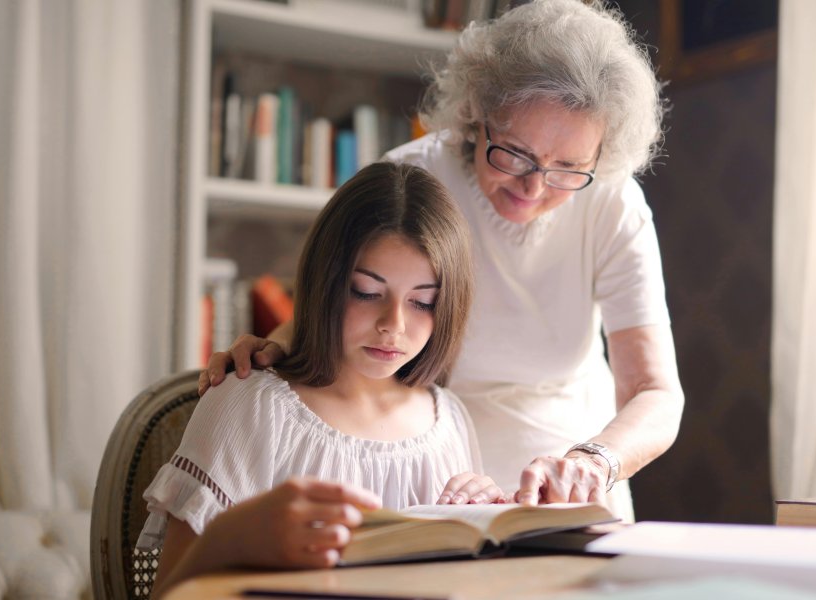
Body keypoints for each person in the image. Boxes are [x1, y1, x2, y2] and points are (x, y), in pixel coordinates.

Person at [202, 0, 684, 522]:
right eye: (516, 154)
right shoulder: (412, 180)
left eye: (568, 168)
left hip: (572, 484)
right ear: (478, 114)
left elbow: (654, 392)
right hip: (437, 472)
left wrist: (595, 461)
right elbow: (345, 305)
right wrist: (268, 348)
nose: (534, 186)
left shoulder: (612, 203)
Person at [140, 162, 503, 598]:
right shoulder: (251, 406)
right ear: (326, 281)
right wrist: (235, 533)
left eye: (423, 302)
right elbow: (170, 591)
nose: (394, 324)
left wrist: (485, 523)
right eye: (367, 293)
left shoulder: (449, 421)